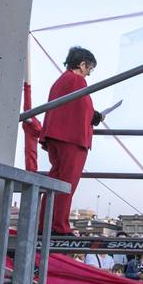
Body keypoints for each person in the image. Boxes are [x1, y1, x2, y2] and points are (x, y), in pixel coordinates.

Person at [40, 46, 103, 235]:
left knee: (55, 181)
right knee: (67, 184)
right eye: (89, 68)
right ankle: (59, 226)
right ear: (82, 63)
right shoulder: (76, 79)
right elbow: (83, 109)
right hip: (71, 138)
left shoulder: (61, 81)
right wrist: (96, 116)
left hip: (57, 136)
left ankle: (45, 224)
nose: (89, 73)